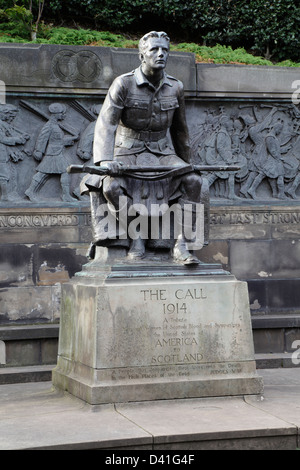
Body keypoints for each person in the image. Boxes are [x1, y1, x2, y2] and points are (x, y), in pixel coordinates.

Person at [83, 31, 208, 264]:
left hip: (163, 153)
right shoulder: (124, 83)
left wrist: (187, 163)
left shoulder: (175, 87)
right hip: (127, 151)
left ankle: (181, 245)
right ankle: (136, 236)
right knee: (110, 186)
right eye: (154, 49)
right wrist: (104, 161)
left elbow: (180, 129)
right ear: (142, 54)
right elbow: (106, 123)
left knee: (194, 181)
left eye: (165, 50)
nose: (160, 54)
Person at [25, 103, 78, 203]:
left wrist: (71, 139)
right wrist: (39, 151)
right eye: (62, 113)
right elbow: (42, 139)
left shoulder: (56, 125)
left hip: (58, 152)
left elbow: (58, 140)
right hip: (52, 154)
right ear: (55, 114)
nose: (64, 115)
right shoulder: (49, 126)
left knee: (63, 171)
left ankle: (66, 195)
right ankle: (30, 191)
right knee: (43, 173)